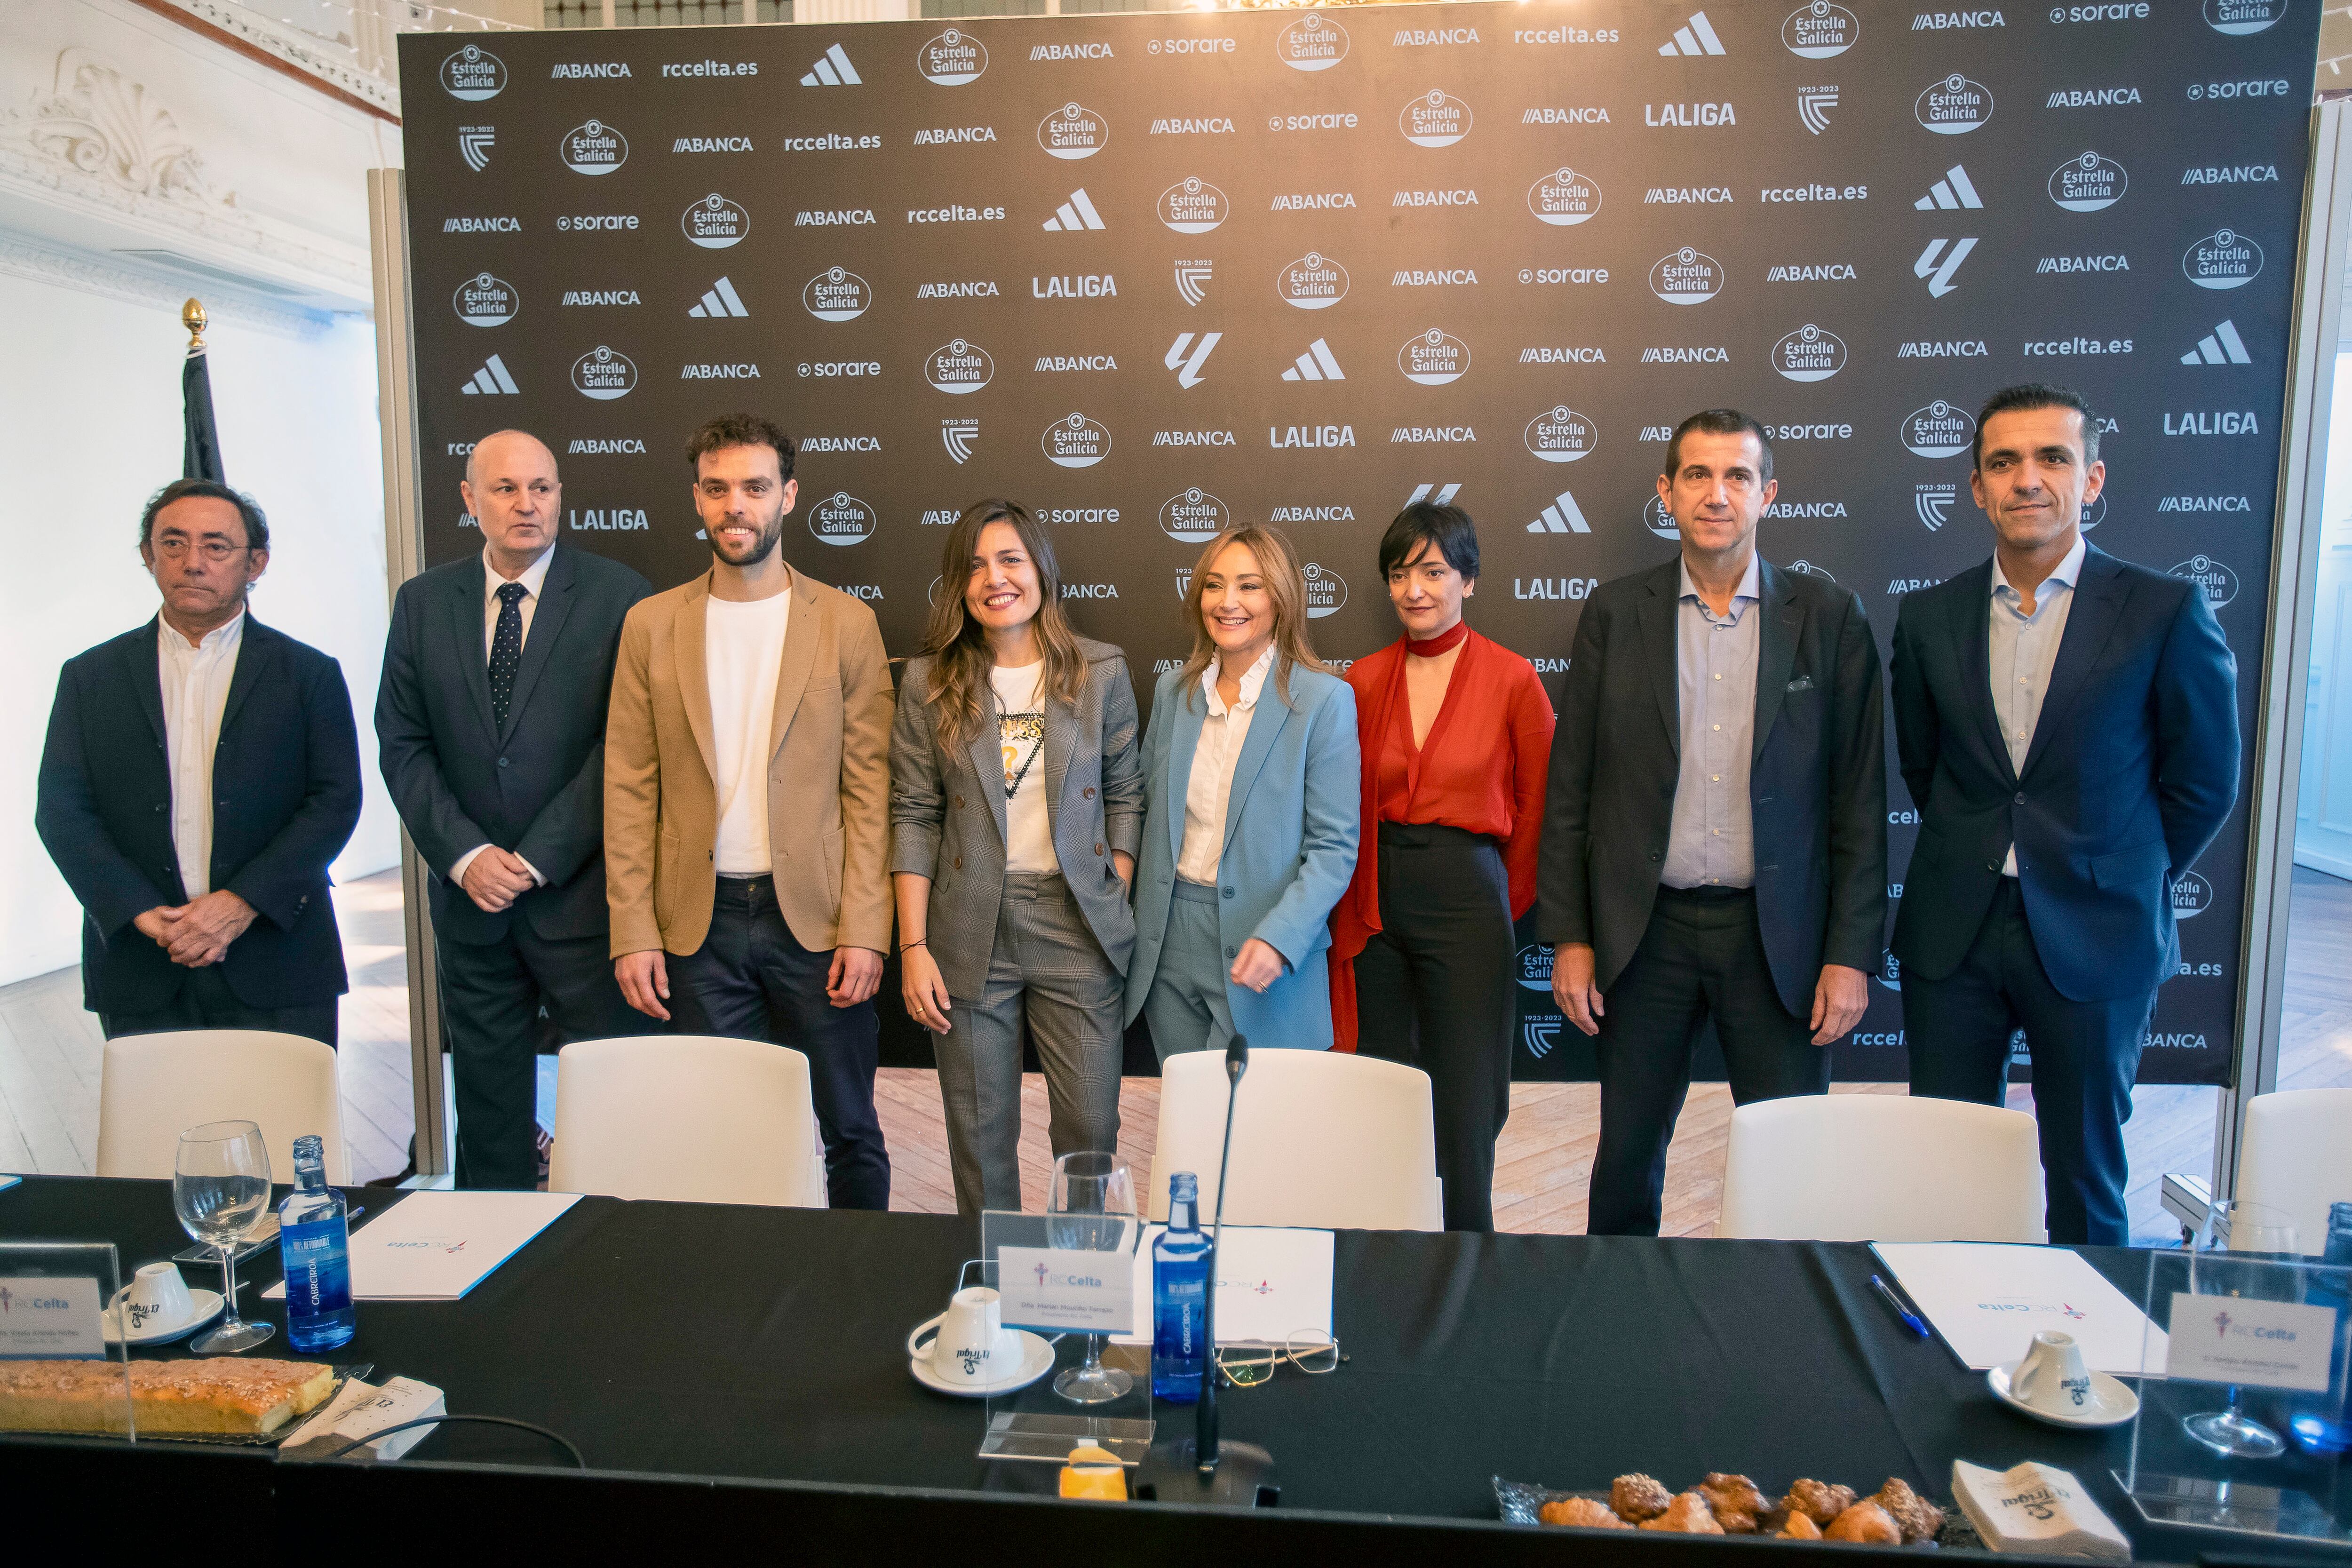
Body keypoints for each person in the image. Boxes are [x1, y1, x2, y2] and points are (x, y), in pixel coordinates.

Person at [1891, 383, 2238, 1247]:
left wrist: (2116, 865)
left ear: (2092, 480)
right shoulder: (1930, 615)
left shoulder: (2164, 611)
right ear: (1976, 488)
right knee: (1945, 1165)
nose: (2028, 479)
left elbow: (2204, 780)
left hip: (2098, 929)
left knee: (2085, 1174)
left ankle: (2090, 1364)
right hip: (1955, 932)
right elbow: (1925, 767)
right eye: (2003, 462)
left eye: (2053, 458)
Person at [1539, 410, 1887, 1237]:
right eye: (1697, 475)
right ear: (1667, 492)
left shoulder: (1830, 617)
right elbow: (1572, 787)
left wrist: (1848, 954)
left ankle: (1782, 1332)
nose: (1717, 493)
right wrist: (1572, 936)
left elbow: (1858, 801)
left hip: (1779, 941)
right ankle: (1620, 1320)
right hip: (1644, 933)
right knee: (1625, 1155)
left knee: (1789, 1160)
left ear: (1767, 494)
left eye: (1737, 476)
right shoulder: (1617, 613)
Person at [604, 413, 896, 1209]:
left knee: (850, 1130)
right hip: (697, 926)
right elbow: (629, 786)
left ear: (789, 496)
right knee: (727, 1133)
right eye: (718, 488)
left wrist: (868, 926)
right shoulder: (650, 625)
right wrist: (633, 929)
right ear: (697, 498)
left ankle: (859, 1303)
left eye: (756, 487)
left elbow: (871, 788)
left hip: (820, 921)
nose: (737, 505)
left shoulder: (847, 623)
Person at [376, 430, 652, 1189]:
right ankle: (491, 1268)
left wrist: (535, 859)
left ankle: (619, 1256)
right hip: (472, 905)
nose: (526, 504)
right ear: (470, 500)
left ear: (561, 496)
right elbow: (402, 742)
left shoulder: (620, 596)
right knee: (489, 1103)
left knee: (614, 1098)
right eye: (505, 488)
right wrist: (467, 856)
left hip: (583, 899)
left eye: (542, 487)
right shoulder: (424, 602)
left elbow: (629, 747)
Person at [37, 479, 361, 1047]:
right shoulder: (90, 678)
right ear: (147, 556)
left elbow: (334, 802)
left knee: (287, 1133)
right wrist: (138, 912)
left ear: (255, 562)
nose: (193, 563)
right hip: (142, 962)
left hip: (279, 957)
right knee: (156, 1134)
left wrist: (241, 905)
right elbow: (62, 811)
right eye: (173, 544)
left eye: (216, 547)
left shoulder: (308, 674)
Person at [890, 501, 1145, 1215]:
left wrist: (1110, 887)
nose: (994, 579)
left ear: (1040, 571)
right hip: (970, 927)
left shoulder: (1102, 672)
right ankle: (997, 1302)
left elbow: (1127, 792)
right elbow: (913, 811)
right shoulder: (928, 680)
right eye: (974, 566)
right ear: (958, 586)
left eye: (1010, 560)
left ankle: (1083, 1299)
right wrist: (913, 944)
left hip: (1076, 921)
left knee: (1090, 1132)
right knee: (979, 1134)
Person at [1328, 503, 1553, 1232]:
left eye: (1432, 571)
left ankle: (1467, 1254)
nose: (1415, 589)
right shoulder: (1361, 681)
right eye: (1399, 574)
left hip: (1469, 896)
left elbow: (1540, 811)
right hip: (1377, 897)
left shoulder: (1514, 678)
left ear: (1469, 579)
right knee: (1385, 1083)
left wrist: (1496, 903)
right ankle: (1389, 1249)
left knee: (1467, 1093)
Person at [1127, 525, 1358, 1061]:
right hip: (1167, 940)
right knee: (1193, 1121)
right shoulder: (1173, 693)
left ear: (1281, 599)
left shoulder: (1324, 700)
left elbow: (1333, 850)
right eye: (1214, 585)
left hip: (1263, 942)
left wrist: (1279, 937)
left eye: (1249, 586)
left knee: (1256, 1131)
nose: (1227, 602)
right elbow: (1141, 810)